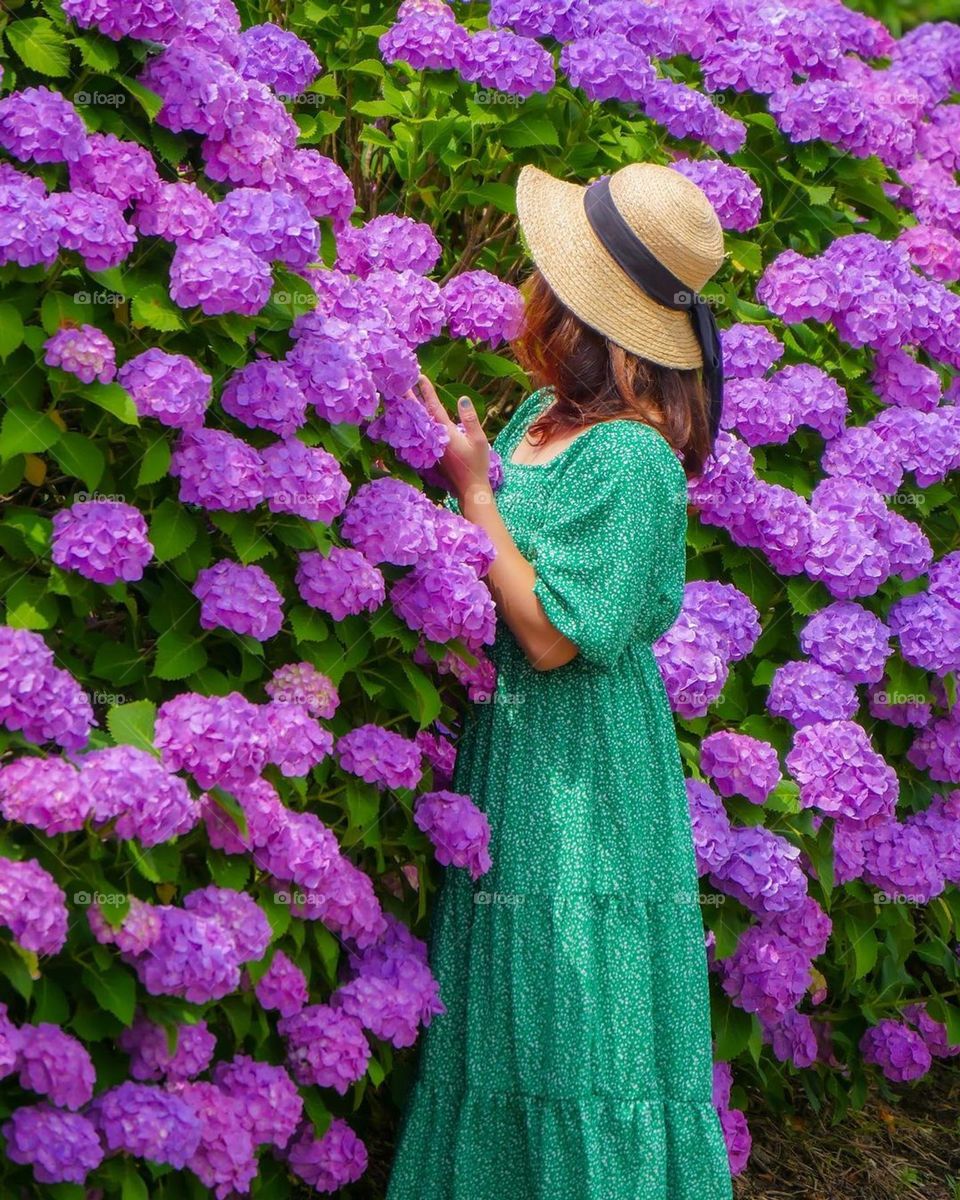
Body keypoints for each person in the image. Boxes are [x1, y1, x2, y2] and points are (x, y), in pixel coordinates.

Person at [386, 161, 734, 1200]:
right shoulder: (548, 413)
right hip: (517, 756)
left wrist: (472, 493)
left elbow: (548, 635)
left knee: (578, 1014)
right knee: (505, 1012)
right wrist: (475, 476)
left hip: (581, 776)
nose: (534, 281)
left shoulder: (635, 458)